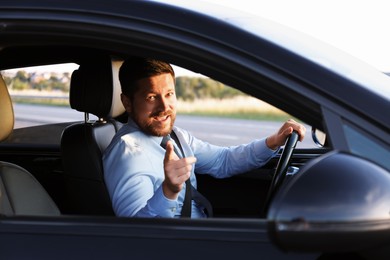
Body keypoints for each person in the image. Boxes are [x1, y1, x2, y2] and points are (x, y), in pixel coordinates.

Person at [103, 57, 306, 218]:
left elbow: (222, 160)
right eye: (151, 97)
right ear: (127, 103)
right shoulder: (128, 151)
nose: (165, 108)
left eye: (169, 94)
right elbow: (136, 231)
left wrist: (273, 142)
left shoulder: (175, 135)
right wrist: (169, 190)